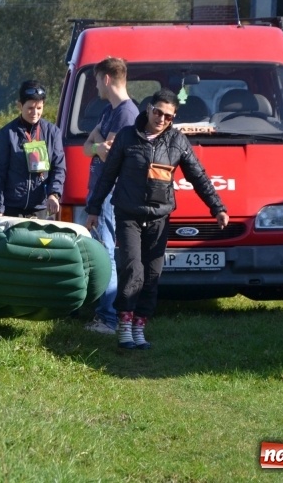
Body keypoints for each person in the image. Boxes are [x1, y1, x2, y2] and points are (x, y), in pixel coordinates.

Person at [85, 89, 229, 350]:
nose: (161, 119)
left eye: (168, 116)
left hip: (159, 217)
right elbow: (107, 175)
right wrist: (93, 209)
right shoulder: (127, 136)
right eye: (158, 112)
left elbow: (198, 176)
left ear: (173, 118)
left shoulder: (177, 141)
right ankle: (124, 326)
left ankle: (139, 328)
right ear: (149, 109)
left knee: (152, 275)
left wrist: (217, 207)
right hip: (128, 215)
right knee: (133, 270)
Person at [82, 57, 139, 336]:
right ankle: (103, 314)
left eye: (96, 80)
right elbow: (88, 147)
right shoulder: (108, 111)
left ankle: (108, 319)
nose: (95, 87)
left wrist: (99, 146)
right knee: (100, 252)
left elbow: (110, 154)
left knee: (106, 254)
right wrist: (97, 147)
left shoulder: (126, 114)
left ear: (106, 79)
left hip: (109, 194)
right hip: (98, 193)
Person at [0, 80, 66, 218]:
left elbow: (59, 168)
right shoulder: (6, 134)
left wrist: (54, 194)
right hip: (11, 209)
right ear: (20, 105)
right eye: (30, 108)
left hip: (40, 208)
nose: (35, 113)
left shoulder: (53, 133)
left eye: (39, 108)